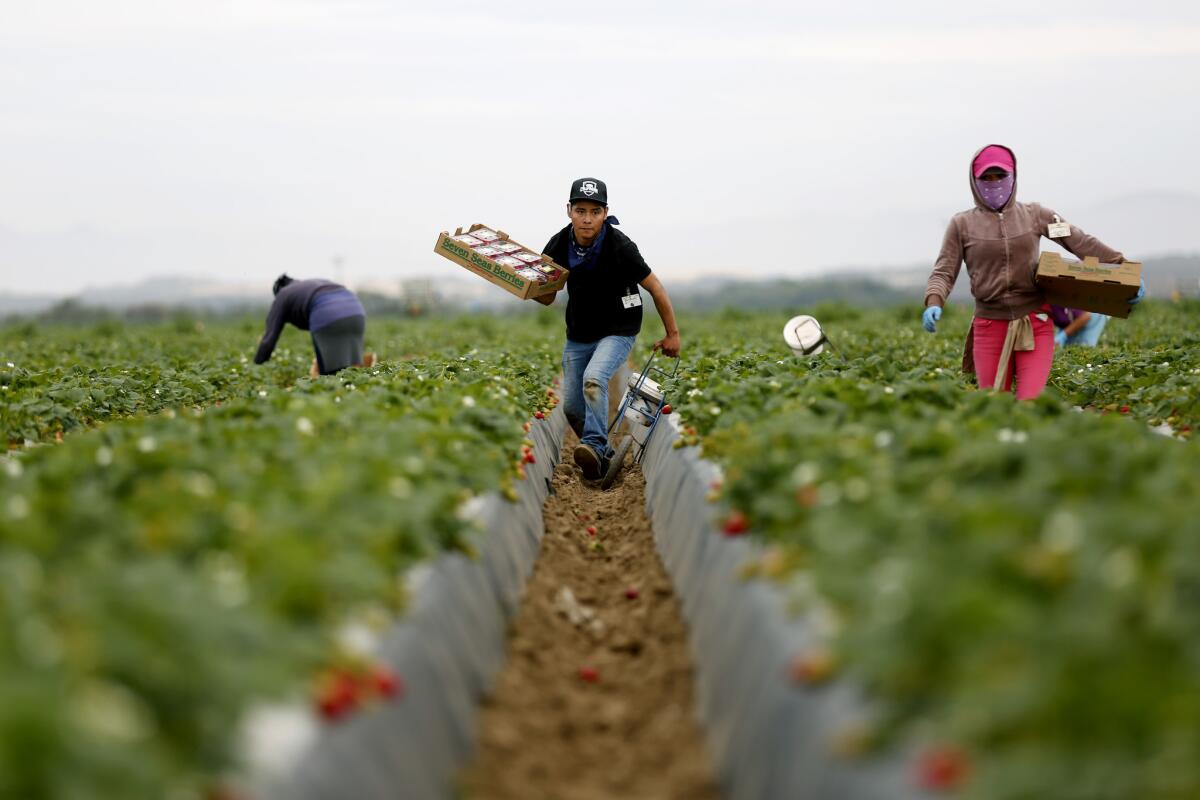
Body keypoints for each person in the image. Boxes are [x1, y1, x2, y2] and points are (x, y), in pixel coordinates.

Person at [922, 144, 1144, 400]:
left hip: (1035, 323)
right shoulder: (962, 225)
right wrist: (934, 300)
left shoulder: (1036, 216)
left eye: (1000, 176)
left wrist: (1123, 268)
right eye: (986, 177)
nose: (994, 183)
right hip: (989, 326)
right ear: (974, 181)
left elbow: (1079, 241)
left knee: (1030, 402)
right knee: (994, 406)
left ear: (1013, 176)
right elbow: (944, 271)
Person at [533, 177, 681, 479]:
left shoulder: (621, 246)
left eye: (595, 212)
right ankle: (602, 457)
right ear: (569, 211)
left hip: (618, 328)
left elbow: (656, 288)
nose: (587, 219)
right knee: (572, 408)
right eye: (581, 210)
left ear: (605, 213)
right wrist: (534, 285)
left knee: (594, 378)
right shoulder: (558, 245)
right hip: (579, 333)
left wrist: (673, 334)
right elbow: (548, 299)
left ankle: (594, 444)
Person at [254, 274, 375, 376]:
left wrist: (257, 368)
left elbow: (268, 340)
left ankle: (336, 400)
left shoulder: (283, 294)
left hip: (327, 313)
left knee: (329, 374)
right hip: (356, 311)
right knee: (353, 369)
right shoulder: (310, 285)